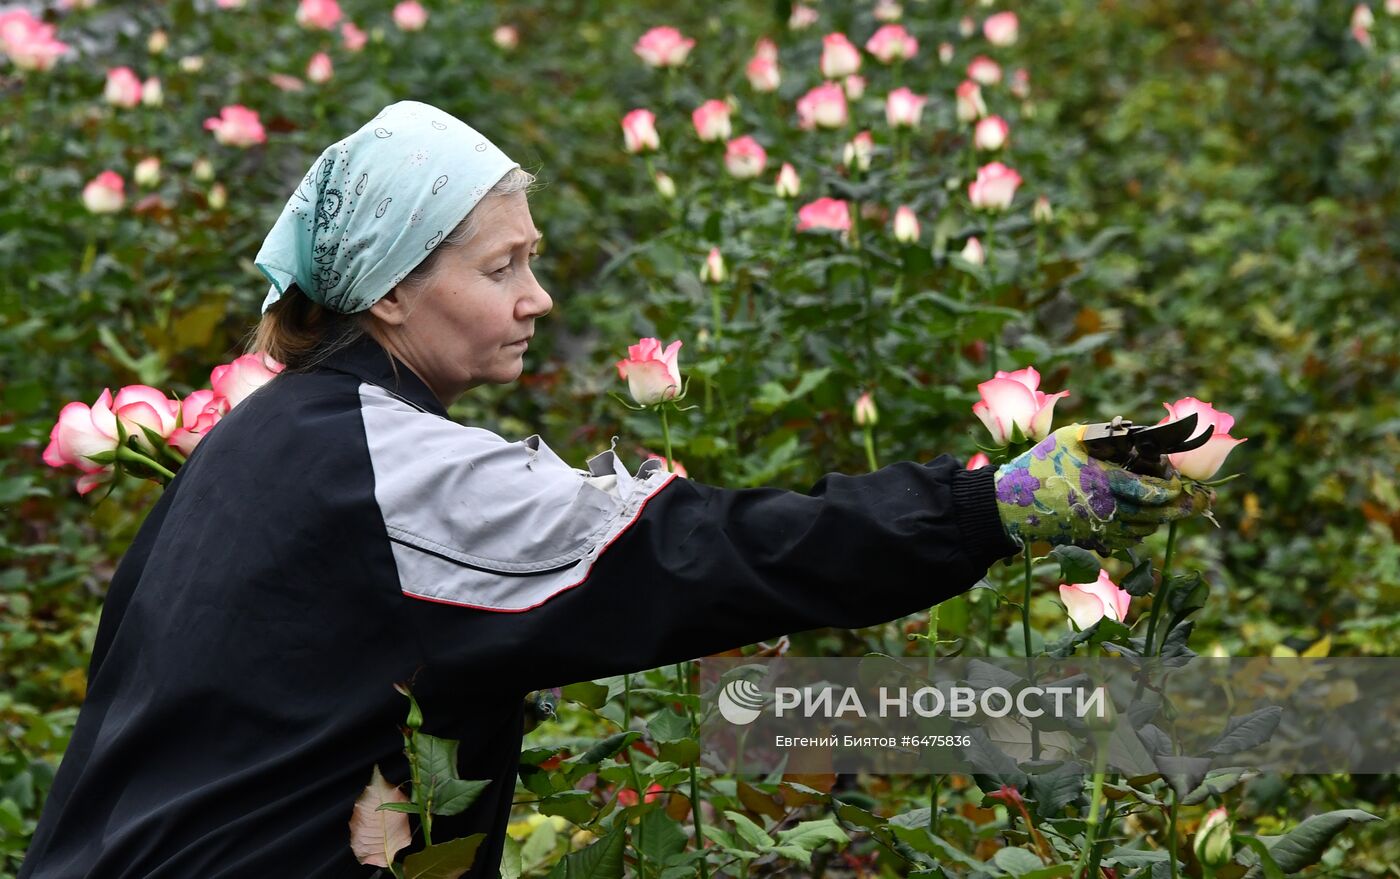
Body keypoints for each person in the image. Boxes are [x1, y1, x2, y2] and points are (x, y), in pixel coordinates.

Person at [19, 101, 1211, 878]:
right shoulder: (394, 470)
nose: (537, 298)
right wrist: (988, 506)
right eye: (504, 267)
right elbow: (706, 554)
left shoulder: (257, 438)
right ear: (387, 292)